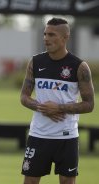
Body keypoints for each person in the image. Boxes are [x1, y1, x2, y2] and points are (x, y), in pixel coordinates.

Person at [20, 17, 94, 184]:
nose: (46, 38)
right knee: (30, 181)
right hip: (38, 135)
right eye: (45, 34)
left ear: (65, 37)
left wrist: (59, 108)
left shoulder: (79, 67)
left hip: (66, 137)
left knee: (68, 182)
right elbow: (23, 97)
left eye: (52, 35)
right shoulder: (35, 62)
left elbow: (89, 104)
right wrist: (42, 107)